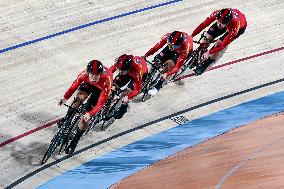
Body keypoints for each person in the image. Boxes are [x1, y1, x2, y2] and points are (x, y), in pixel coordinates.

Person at [57, 60, 113, 154]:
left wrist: (89, 114)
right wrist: (65, 98)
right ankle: (67, 119)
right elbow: (73, 86)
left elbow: (100, 104)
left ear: (101, 74)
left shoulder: (106, 81)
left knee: (84, 118)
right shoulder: (84, 74)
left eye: (96, 74)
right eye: (91, 74)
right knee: (77, 100)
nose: (94, 76)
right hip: (88, 85)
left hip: (100, 90)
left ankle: (75, 140)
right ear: (87, 72)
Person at [191, 8, 247, 75]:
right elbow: (203, 24)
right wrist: (192, 35)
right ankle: (199, 56)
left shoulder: (235, 25)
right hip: (227, 21)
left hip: (239, 27)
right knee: (206, 38)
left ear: (228, 22)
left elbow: (223, 45)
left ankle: (206, 65)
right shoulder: (217, 13)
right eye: (218, 22)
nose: (219, 25)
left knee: (218, 44)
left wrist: (209, 52)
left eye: (222, 24)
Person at [142, 31, 193, 96]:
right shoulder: (167, 37)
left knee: (169, 66)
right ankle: (150, 74)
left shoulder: (185, 48)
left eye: (173, 46)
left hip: (181, 51)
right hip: (176, 47)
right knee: (157, 60)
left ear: (179, 45)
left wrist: (167, 73)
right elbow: (156, 47)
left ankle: (157, 87)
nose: (171, 47)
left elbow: (177, 67)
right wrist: (146, 55)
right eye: (169, 44)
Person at [109, 54, 148, 119]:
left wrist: (128, 96)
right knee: (112, 86)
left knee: (126, 93)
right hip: (128, 71)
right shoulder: (121, 61)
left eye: (122, 70)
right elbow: (110, 71)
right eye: (119, 70)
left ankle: (122, 108)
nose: (120, 72)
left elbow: (137, 90)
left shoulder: (137, 70)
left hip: (139, 75)